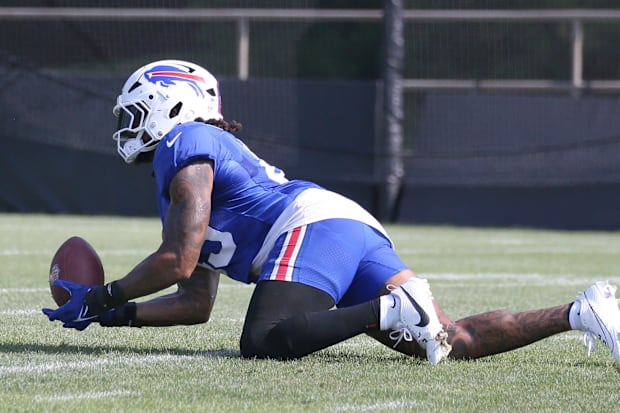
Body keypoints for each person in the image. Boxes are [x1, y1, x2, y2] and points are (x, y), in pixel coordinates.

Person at [43, 60, 620, 365]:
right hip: (340, 224)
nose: (127, 127)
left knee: (264, 340)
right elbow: (196, 301)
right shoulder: (186, 167)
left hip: (308, 226)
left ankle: (396, 308)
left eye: (133, 111)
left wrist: (106, 295)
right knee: (449, 340)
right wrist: (118, 319)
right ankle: (581, 311)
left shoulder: (183, 142)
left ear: (170, 100)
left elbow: (179, 256)